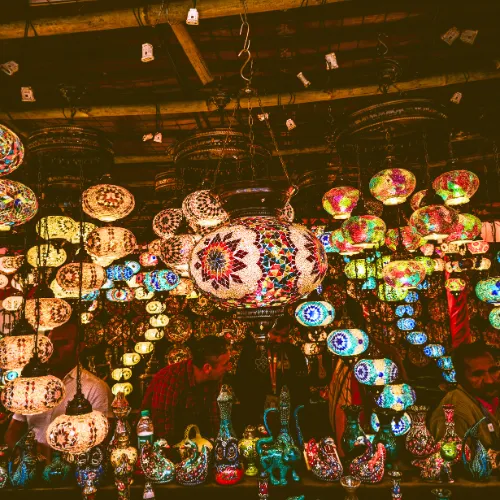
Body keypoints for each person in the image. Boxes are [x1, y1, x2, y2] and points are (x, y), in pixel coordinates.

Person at [4, 322, 113, 459]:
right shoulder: (31, 387)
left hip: (72, 471)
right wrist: (27, 455)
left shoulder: (95, 387)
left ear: (79, 347)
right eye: (50, 343)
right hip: (31, 468)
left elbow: (102, 438)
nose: (53, 349)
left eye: (62, 343)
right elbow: (12, 432)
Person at [141, 336, 231, 444]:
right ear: (207, 368)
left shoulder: (213, 379)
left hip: (198, 444)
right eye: (225, 364)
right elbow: (163, 435)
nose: (229, 368)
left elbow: (215, 422)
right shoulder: (170, 381)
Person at [429, 341, 500, 450]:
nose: (489, 381)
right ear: (459, 378)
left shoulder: (491, 397)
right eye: (477, 374)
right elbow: (456, 462)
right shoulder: (455, 409)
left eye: (493, 370)